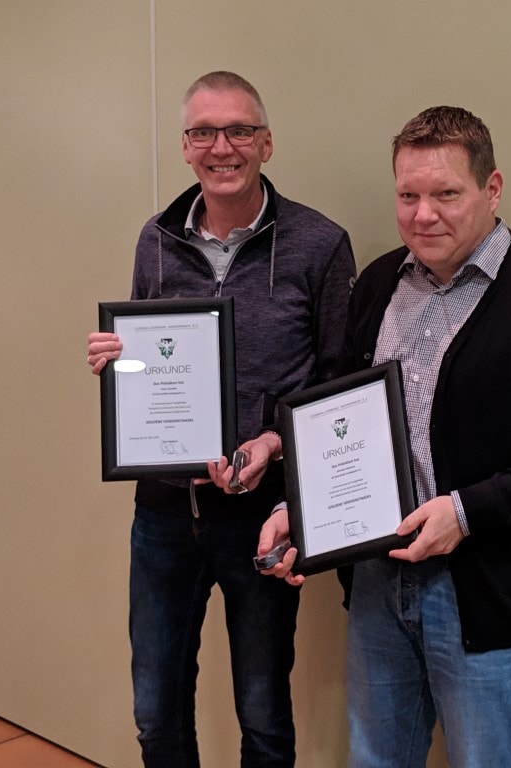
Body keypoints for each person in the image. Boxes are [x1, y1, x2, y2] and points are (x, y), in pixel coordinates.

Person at [259, 106, 511, 768]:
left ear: (492, 189)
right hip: (377, 582)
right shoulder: (379, 283)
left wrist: (466, 513)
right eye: (408, 195)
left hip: (483, 593)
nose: (423, 215)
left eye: (446, 194)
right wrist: (303, 509)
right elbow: (339, 418)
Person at [87, 71, 355, 768]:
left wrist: (274, 442)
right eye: (203, 132)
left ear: (266, 142)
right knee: (155, 712)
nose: (221, 147)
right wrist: (119, 368)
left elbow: (338, 383)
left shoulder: (320, 244)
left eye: (239, 130)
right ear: (185, 147)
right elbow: (154, 366)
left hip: (261, 516)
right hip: (164, 513)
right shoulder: (155, 239)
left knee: (263, 714)